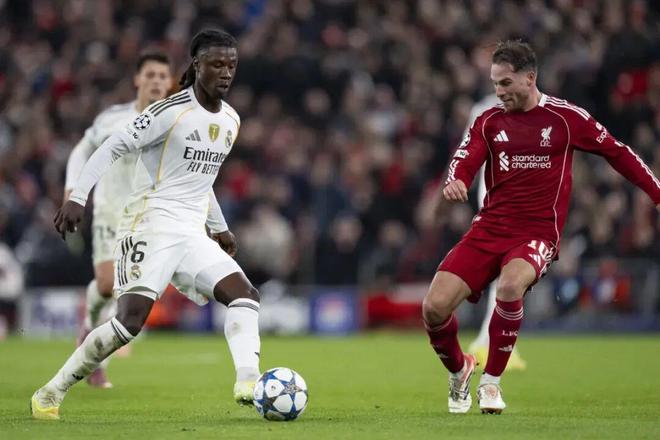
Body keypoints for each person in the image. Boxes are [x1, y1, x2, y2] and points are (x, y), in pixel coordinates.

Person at [31, 29, 261, 420]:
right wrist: (77, 197)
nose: (225, 73)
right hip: (149, 226)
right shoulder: (169, 112)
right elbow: (111, 146)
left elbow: (200, 181)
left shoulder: (230, 120)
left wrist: (219, 227)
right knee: (129, 323)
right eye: (217, 64)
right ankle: (52, 391)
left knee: (245, 296)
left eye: (231, 65)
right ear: (197, 65)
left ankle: (249, 382)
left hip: (191, 233)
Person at [424, 40, 660, 415]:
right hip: (489, 229)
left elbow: (618, 152)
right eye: (495, 83)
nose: (499, 92)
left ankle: (491, 382)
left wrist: (657, 193)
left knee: (510, 286)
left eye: (505, 83)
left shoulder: (565, 118)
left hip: (536, 233)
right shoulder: (488, 121)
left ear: (530, 78)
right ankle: (460, 370)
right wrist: (458, 180)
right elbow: (464, 158)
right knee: (434, 308)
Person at [63, 51, 173, 388]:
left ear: (170, 83)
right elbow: (82, 150)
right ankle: (89, 326)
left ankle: (96, 357)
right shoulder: (113, 119)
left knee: (129, 293)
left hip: (149, 219)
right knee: (108, 285)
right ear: (137, 79)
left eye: (162, 76)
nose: (156, 81)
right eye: (150, 75)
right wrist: (72, 188)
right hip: (111, 212)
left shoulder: (177, 121)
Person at [463, 94, 527, 371]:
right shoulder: (485, 109)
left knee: (507, 274)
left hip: (523, 200)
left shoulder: (540, 107)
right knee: (506, 272)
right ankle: (490, 344)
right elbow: (467, 153)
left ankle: (489, 342)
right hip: (497, 200)